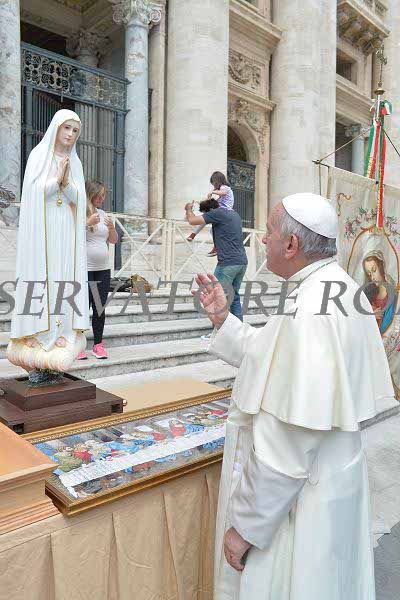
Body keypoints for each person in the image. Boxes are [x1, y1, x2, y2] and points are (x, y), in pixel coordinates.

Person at [194, 193, 394, 600]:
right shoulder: (334, 287)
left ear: (291, 244)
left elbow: (289, 441)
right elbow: (270, 353)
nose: (263, 239)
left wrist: (246, 528)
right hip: (329, 483)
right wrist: (222, 318)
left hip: (298, 504)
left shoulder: (312, 309)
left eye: (269, 231)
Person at [7, 110, 90, 381]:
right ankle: (37, 334)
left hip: (64, 230)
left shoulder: (75, 162)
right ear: (56, 128)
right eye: (66, 128)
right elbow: (33, 192)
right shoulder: (38, 155)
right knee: (42, 280)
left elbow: (80, 197)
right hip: (42, 231)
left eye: (75, 131)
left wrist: (66, 183)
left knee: (62, 278)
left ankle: (61, 333)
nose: (70, 134)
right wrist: (57, 181)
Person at [185, 198, 248, 335]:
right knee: (234, 297)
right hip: (242, 261)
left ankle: (218, 333)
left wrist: (188, 209)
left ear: (210, 210)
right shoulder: (234, 214)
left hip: (227, 263)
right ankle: (239, 332)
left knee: (217, 297)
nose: (206, 217)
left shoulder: (217, 213)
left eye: (205, 214)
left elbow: (192, 220)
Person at [77, 180, 118, 360]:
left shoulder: (103, 214)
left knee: (99, 307)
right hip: (84, 269)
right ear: (90, 194)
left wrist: (111, 228)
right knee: (82, 307)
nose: (102, 199)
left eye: (103, 196)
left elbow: (113, 240)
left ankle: (98, 345)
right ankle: (78, 346)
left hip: (103, 269)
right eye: (99, 195)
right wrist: (87, 222)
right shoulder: (79, 211)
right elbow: (71, 235)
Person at [187, 171, 234, 257]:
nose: (213, 186)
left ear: (217, 181)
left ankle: (215, 246)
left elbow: (224, 192)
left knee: (206, 218)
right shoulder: (222, 192)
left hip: (224, 211)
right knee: (210, 226)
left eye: (214, 184)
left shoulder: (225, 187)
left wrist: (212, 192)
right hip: (223, 211)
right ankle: (216, 246)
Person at [362, 250, 396, 334]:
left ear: (381, 267)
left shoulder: (393, 294)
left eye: (374, 270)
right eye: (369, 274)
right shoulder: (369, 294)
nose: (372, 277)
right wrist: (371, 316)